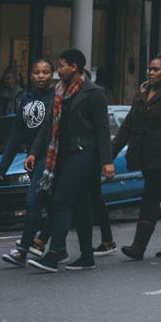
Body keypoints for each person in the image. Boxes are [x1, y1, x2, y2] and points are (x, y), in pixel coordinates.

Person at [24, 49, 114, 273]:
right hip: (62, 155)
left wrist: (107, 161)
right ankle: (87, 256)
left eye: (61, 65)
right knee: (82, 206)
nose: (58, 69)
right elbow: (47, 128)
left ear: (74, 67)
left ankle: (53, 255)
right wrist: (34, 152)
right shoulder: (58, 91)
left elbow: (103, 129)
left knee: (61, 202)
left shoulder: (94, 93)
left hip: (84, 154)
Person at [113, 53, 161, 260]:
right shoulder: (142, 93)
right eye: (149, 69)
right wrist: (110, 153)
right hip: (146, 156)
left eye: (156, 69)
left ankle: (138, 246)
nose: (151, 72)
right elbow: (128, 125)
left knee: (151, 197)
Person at [0, 59, 55, 267]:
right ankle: (58, 248)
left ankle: (22, 251)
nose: (41, 76)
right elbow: (16, 133)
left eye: (46, 72)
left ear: (52, 75)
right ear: (30, 75)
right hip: (32, 159)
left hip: (49, 157)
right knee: (49, 203)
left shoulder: (56, 97)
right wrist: (4, 165)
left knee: (33, 202)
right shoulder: (26, 99)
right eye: (37, 72)